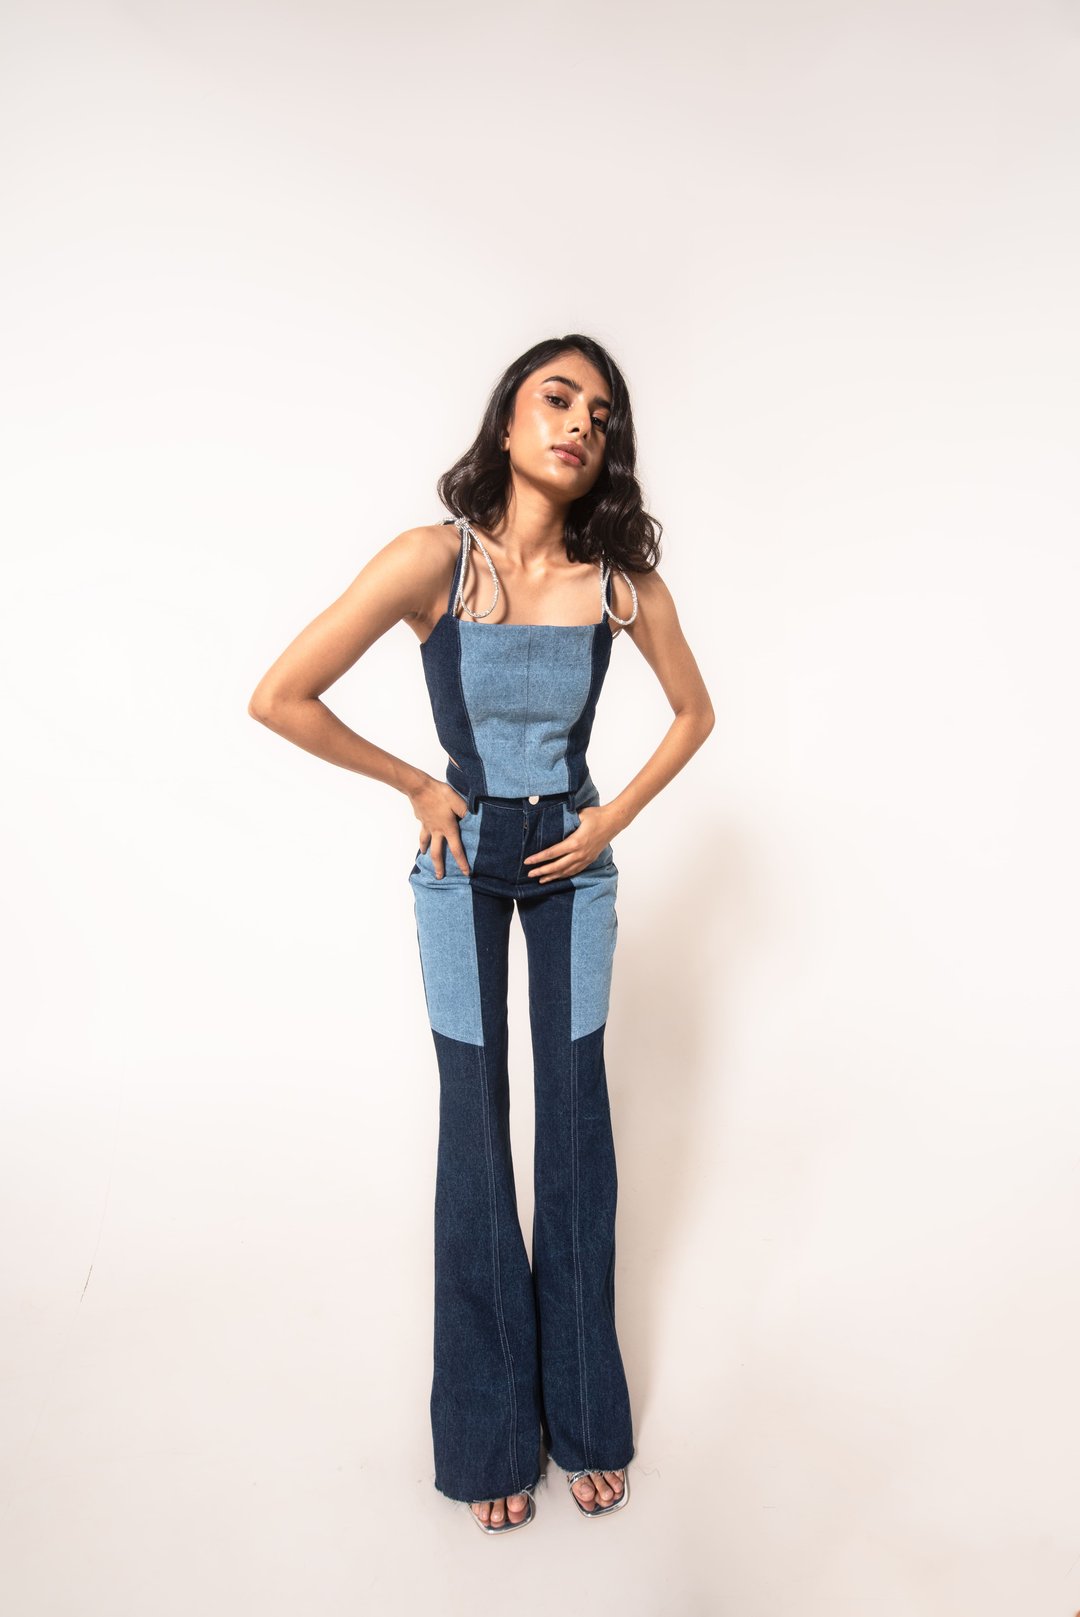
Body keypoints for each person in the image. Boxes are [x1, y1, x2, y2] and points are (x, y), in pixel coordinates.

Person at [248, 333, 715, 1534]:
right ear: (508, 419)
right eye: (557, 399)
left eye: (601, 414)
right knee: (475, 1125)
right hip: (460, 868)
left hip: (573, 866)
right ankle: (491, 1431)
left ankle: (590, 1419)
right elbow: (280, 696)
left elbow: (694, 713)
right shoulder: (433, 562)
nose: (580, 424)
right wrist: (417, 784)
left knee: (575, 1128)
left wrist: (609, 817)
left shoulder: (619, 584)